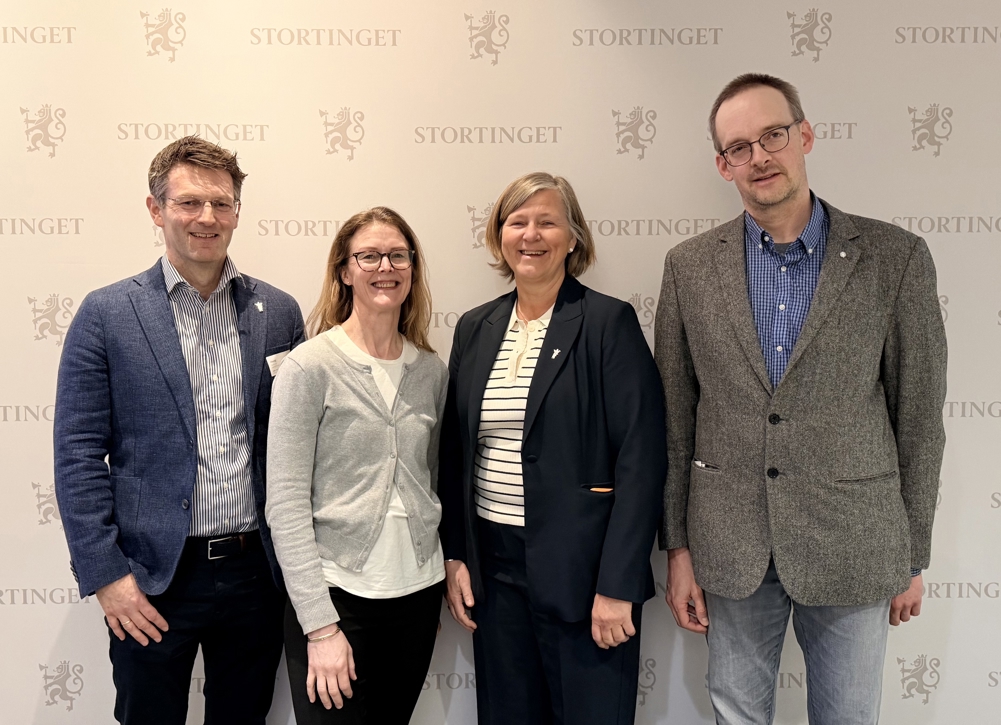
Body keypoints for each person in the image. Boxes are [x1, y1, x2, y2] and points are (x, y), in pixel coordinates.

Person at [655, 73, 948, 725]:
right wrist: (677, 548)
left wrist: (911, 553)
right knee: (735, 714)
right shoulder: (688, 268)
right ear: (721, 163)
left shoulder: (893, 258)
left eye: (772, 135)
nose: (758, 156)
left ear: (804, 135)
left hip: (855, 543)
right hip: (730, 546)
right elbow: (675, 422)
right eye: (738, 146)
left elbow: (919, 421)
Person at [53, 136, 305, 724]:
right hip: (150, 577)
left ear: (238, 211)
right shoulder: (107, 313)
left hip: (253, 573)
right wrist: (108, 576)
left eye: (221, 204)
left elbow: (290, 446)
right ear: (156, 208)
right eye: (189, 203)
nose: (207, 218)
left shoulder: (279, 313)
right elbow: (78, 454)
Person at [439, 172, 667, 724]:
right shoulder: (475, 327)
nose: (531, 234)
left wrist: (618, 586)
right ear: (499, 236)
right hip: (495, 576)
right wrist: (458, 553)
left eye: (547, 221)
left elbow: (642, 459)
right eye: (517, 222)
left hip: (584, 578)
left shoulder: (607, 322)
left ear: (573, 237)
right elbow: (453, 453)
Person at [266, 207, 448, 724]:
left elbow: (428, 480)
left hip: (416, 594)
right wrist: (321, 627)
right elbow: (285, 504)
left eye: (397, 255)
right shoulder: (309, 366)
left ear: (412, 269)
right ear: (344, 271)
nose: (384, 266)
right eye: (368, 256)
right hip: (337, 598)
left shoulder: (431, 370)